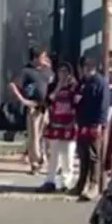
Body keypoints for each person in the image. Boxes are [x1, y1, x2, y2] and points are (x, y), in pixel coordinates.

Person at [72, 55, 110, 202]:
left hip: (94, 123)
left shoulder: (100, 83)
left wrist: (100, 123)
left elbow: (103, 105)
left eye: (87, 67)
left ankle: (94, 185)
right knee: (83, 155)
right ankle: (80, 184)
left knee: (94, 155)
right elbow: (76, 99)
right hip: (82, 122)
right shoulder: (82, 83)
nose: (85, 70)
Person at [9, 47, 53, 174]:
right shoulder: (26, 71)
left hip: (46, 106)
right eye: (42, 57)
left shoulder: (47, 71)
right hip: (34, 106)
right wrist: (23, 100)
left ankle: (45, 158)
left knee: (45, 135)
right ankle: (35, 162)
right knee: (34, 136)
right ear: (35, 58)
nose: (44, 59)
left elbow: (53, 82)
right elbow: (13, 85)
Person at [38, 61, 77, 193]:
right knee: (53, 155)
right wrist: (59, 86)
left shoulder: (74, 87)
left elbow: (77, 104)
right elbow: (49, 100)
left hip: (69, 125)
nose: (63, 74)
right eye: (61, 71)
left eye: (66, 71)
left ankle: (67, 182)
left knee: (68, 155)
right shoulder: (53, 85)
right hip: (55, 124)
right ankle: (50, 181)